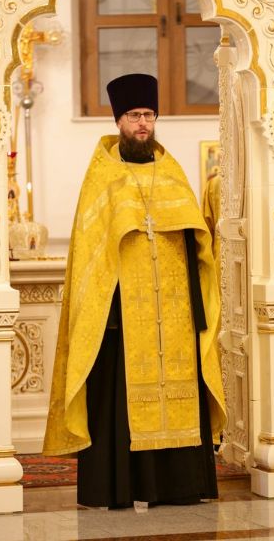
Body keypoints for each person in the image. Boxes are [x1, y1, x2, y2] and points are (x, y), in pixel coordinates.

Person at [43, 73, 226, 510]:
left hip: (176, 315)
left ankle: (178, 488)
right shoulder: (101, 177)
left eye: (148, 115)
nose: (142, 123)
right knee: (120, 400)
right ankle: (119, 489)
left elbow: (197, 241)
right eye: (133, 116)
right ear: (118, 121)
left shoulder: (173, 174)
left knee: (180, 393)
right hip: (122, 317)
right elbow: (90, 252)